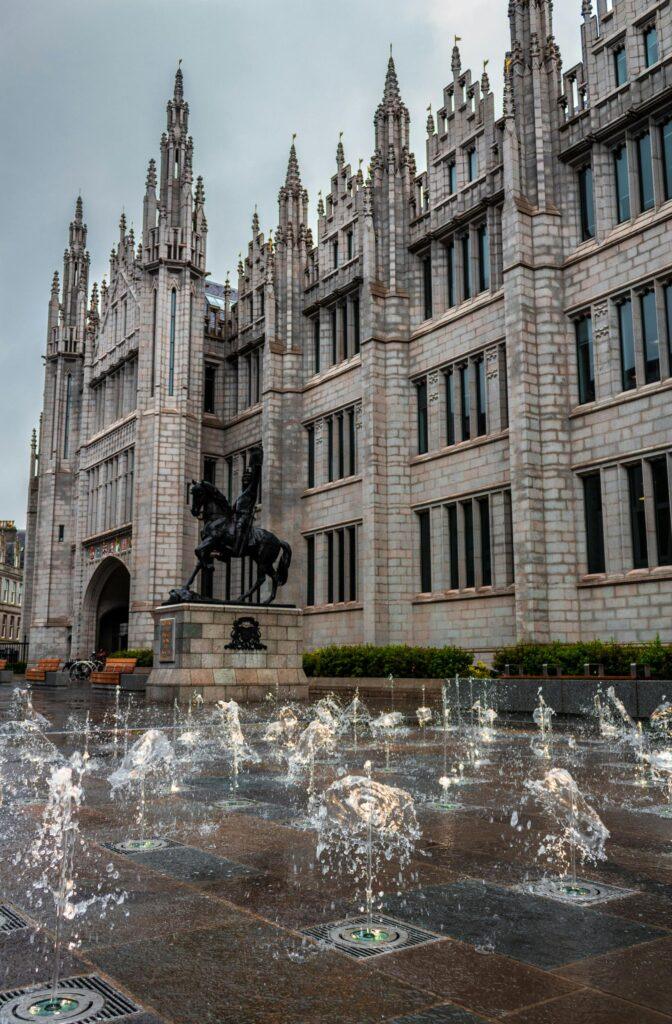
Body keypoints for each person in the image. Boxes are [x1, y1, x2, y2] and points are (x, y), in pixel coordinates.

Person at [231, 447, 262, 557]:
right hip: (236, 516)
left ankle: (236, 549)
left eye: (247, 479)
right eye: (243, 479)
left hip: (244, 517)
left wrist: (256, 461)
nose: (245, 481)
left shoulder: (251, 491)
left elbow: (256, 478)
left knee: (239, 526)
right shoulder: (241, 495)